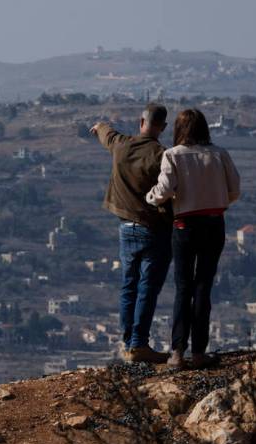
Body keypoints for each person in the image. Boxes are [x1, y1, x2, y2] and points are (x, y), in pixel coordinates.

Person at [146, 108, 240, 370]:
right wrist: (215, 202)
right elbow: (235, 190)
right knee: (203, 287)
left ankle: (177, 352)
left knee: (183, 287)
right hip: (214, 223)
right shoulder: (219, 154)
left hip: (185, 225)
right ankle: (199, 352)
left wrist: (150, 198)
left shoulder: (172, 155)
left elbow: (164, 190)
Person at [90, 104, 173, 364]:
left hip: (126, 228)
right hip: (154, 230)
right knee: (147, 288)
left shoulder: (122, 145)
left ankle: (129, 344)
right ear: (163, 127)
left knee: (129, 285)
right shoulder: (163, 155)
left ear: (141, 122)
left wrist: (99, 126)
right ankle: (139, 344)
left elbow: (107, 134)